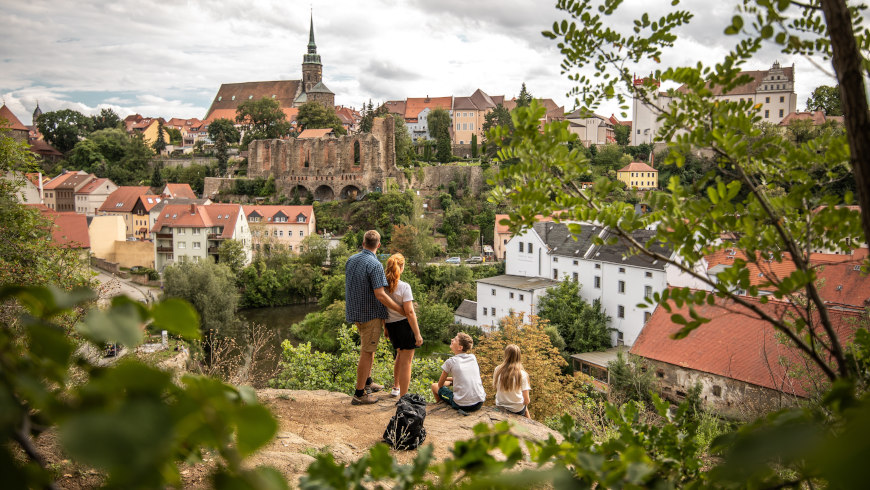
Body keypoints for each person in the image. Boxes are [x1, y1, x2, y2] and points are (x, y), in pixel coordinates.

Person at [345, 230, 404, 405]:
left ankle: (368, 382)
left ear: (363, 243)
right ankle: (360, 393)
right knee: (367, 352)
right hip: (369, 315)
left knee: (368, 348)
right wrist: (400, 309)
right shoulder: (375, 264)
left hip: (355, 312)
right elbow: (381, 295)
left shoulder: (351, 260)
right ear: (378, 245)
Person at [384, 253, 423, 397]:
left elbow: (383, 309)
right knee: (407, 363)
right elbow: (410, 313)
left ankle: (396, 388)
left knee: (399, 356)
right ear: (401, 267)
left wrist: (385, 328)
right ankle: (404, 398)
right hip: (405, 327)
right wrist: (417, 334)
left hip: (392, 326)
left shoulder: (384, 287)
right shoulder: (404, 287)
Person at [430, 332, 486, 413]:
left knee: (434, 386)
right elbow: (462, 377)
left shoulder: (450, 362)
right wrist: (451, 381)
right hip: (479, 402)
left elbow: (440, 385)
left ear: (460, 347)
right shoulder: (473, 358)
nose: (452, 340)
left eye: (455, 339)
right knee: (447, 383)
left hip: (462, 405)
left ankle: (440, 406)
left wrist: (448, 381)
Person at [493, 344, 531, 417]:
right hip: (516, 410)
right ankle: (531, 426)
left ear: (506, 355)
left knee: (525, 408)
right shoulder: (522, 374)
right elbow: (527, 400)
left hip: (500, 406)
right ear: (519, 356)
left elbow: (496, 388)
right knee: (525, 408)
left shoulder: (497, 369)